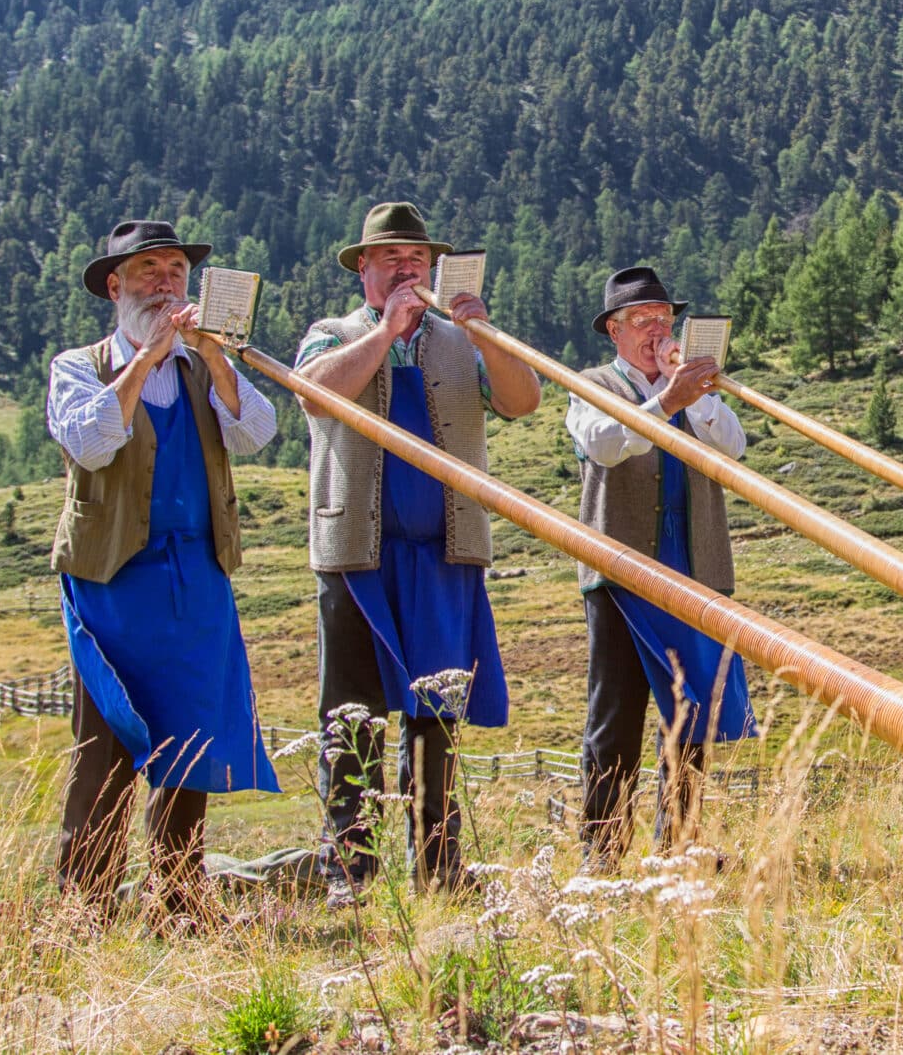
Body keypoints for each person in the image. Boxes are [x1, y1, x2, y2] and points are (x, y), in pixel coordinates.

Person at [296, 202, 540, 901]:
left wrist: (486, 335)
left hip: (442, 552)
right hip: (357, 554)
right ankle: (351, 869)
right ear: (364, 268)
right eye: (392, 259)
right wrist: (385, 332)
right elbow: (312, 394)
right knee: (353, 715)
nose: (408, 269)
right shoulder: (331, 335)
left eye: (416, 259)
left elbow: (523, 400)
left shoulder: (460, 340)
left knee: (437, 715)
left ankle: (441, 867)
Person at [46, 219, 280, 920]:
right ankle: (84, 909)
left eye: (175, 270)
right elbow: (90, 442)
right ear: (115, 286)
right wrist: (143, 361)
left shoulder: (202, 364)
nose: (165, 284)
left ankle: (178, 899)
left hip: (196, 580)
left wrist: (214, 357)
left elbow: (257, 432)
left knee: (191, 740)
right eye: (147, 272)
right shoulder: (78, 365)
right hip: (113, 581)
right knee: (108, 743)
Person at [565, 266, 758, 873]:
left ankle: (679, 841)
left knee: (692, 709)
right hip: (621, 569)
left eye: (663, 320)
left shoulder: (697, 389)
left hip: (694, 562)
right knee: (615, 711)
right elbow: (601, 444)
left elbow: (734, 446)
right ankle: (603, 851)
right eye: (642, 321)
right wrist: (664, 402)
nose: (656, 331)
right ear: (614, 332)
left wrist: (693, 398)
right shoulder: (590, 383)